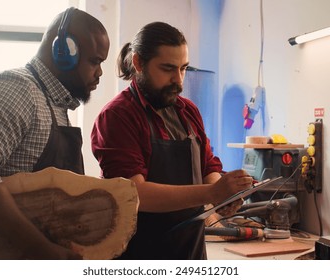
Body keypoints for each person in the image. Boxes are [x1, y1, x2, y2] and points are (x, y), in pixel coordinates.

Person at [0, 7, 110, 259]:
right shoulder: (17, 90)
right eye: (94, 61)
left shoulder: (55, 104)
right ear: (64, 52)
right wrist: (39, 248)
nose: (99, 73)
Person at [91, 21, 252, 260]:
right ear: (138, 63)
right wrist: (211, 193)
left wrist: (225, 195)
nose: (178, 80)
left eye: (183, 68)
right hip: (139, 255)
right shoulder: (118, 116)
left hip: (191, 253)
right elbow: (135, 194)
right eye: (167, 69)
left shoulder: (188, 111)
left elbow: (207, 166)